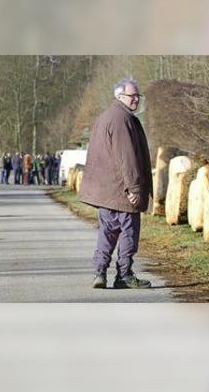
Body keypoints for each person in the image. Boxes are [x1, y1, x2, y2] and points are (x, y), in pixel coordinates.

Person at [79, 78, 153, 289]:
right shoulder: (121, 119)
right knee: (128, 232)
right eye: (132, 96)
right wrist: (134, 188)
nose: (137, 99)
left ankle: (99, 272)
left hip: (106, 191)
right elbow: (126, 157)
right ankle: (124, 275)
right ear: (120, 96)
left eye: (138, 95)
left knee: (107, 232)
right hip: (122, 190)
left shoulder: (106, 117)